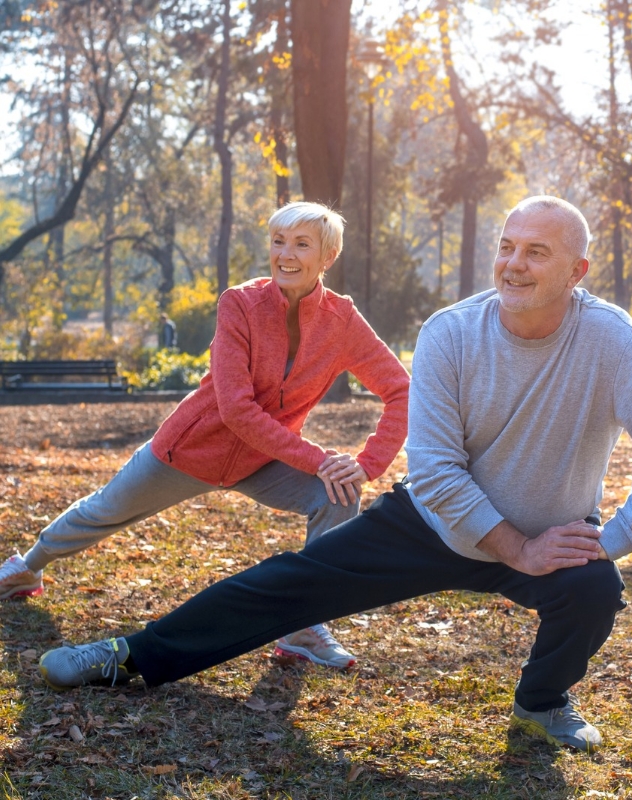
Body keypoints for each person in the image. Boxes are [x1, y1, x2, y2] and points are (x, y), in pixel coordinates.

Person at [37, 196, 632, 753]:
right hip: (433, 524)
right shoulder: (452, 333)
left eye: (537, 251)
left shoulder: (612, 339)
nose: (514, 263)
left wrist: (611, 538)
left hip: (550, 531)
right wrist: (515, 548)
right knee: (286, 585)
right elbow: (439, 472)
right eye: (507, 246)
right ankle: (131, 656)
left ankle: (542, 702)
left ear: (577, 269)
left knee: (594, 590)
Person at [1, 201, 410, 669]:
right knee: (103, 511)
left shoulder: (343, 323)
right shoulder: (240, 303)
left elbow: (400, 389)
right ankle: (26, 567)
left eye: (301, 244)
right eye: (278, 241)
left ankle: (301, 624)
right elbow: (237, 410)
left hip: (262, 461)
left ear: (327, 257)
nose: (286, 254)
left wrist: (365, 463)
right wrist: (318, 458)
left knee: (339, 492)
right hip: (191, 450)